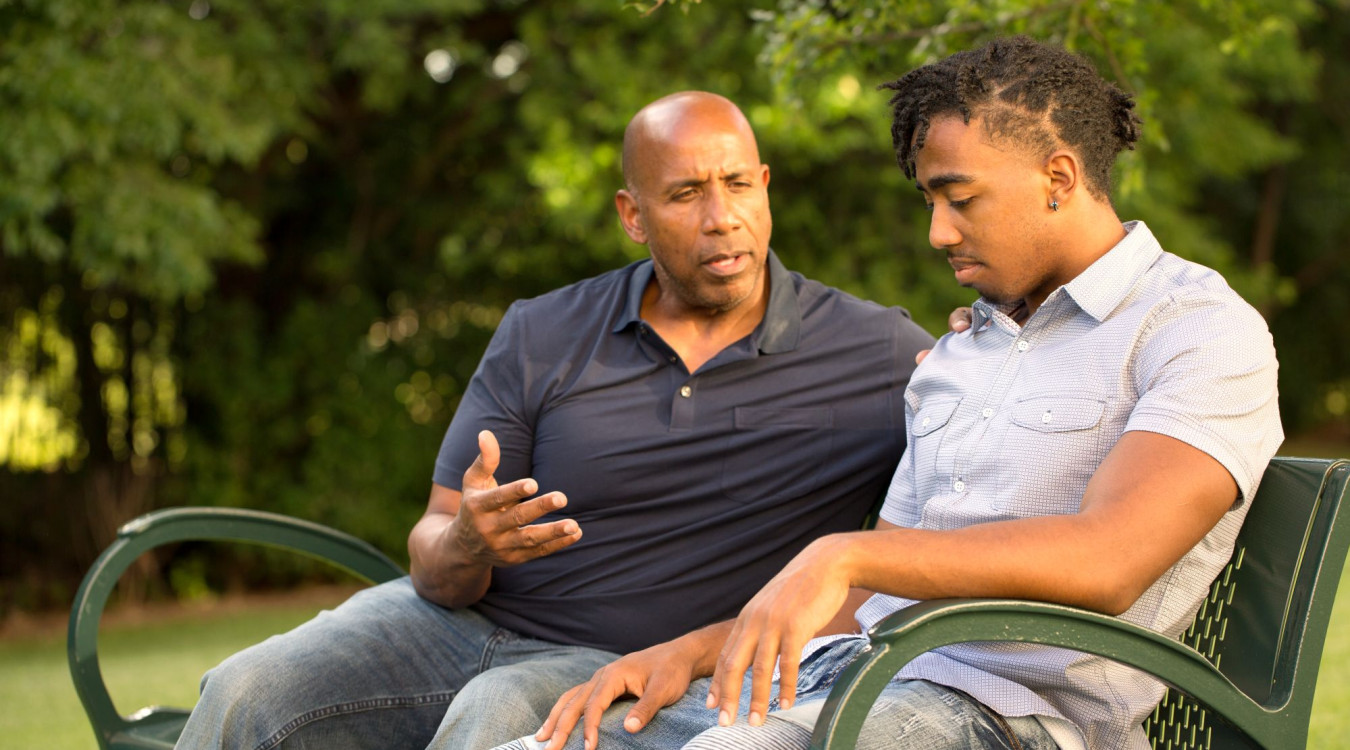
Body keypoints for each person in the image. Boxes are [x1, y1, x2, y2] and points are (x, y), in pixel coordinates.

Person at [506, 36, 1282, 750]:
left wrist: (846, 552)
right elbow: (867, 604)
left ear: (1060, 177)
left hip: (1008, 719)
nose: (938, 232)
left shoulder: (1195, 331)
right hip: (852, 678)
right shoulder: (961, 353)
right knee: (550, 740)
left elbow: (1112, 559)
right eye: (929, 202)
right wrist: (689, 653)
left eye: (961, 198)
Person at [172, 91, 935, 749]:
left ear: (766, 186)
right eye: (684, 194)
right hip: (445, 627)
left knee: (494, 717)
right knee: (246, 691)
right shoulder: (544, 332)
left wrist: (986, 343)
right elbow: (433, 551)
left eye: (738, 184)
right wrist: (469, 541)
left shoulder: (877, 352)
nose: (720, 217)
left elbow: (984, 443)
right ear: (632, 216)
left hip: (626, 659)